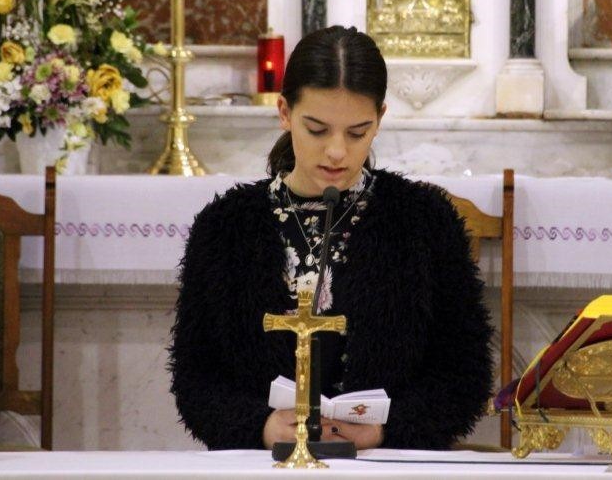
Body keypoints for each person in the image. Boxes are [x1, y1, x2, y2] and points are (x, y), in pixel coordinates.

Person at [169, 26, 493, 451]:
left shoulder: (424, 220)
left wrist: (383, 430)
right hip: (263, 464)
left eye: (357, 132)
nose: (337, 152)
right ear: (284, 112)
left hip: (386, 463)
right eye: (317, 130)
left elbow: (464, 374)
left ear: (380, 119)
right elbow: (195, 378)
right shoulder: (225, 226)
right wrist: (262, 427)